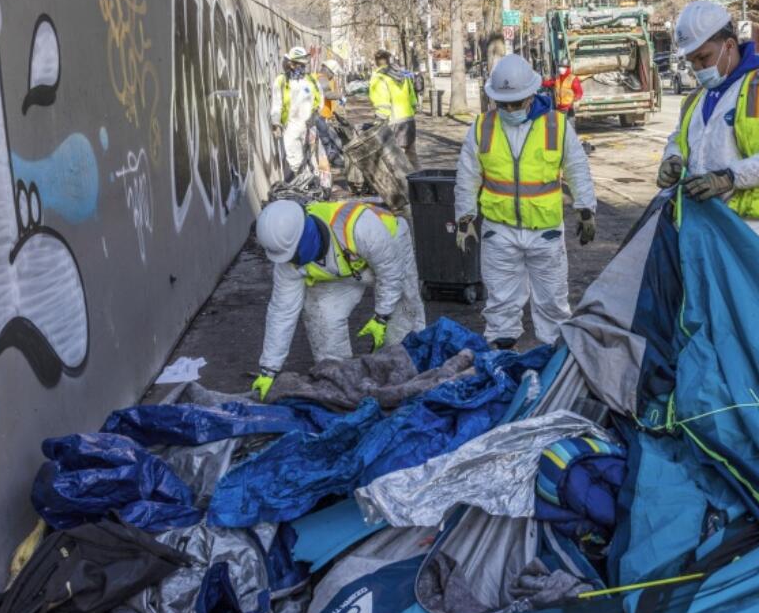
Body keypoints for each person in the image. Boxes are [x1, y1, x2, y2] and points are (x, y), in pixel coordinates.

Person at [454, 54, 597, 349]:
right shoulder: (483, 127)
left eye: (515, 103)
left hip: (544, 232)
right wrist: (464, 219)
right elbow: (467, 175)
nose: (509, 109)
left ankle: (552, 366)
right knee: (500, 306)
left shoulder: (556, 126)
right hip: (499, 231)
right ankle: (503, 361)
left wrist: (585, 208)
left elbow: (577, 167)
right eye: (502, 104)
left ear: (531, 95)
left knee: (553, 306)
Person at [656, 0, 759, 261]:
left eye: (704, 58)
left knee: (752, 303)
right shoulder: (697, 99)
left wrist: (728, 178)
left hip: (757, 229)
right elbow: (680, 138)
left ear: (729, 45)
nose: (699, 68)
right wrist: (672, 158)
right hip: (706, 226)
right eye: (693, 62)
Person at [250, 199, 426, 398]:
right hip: (343, 269)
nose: (290, 261)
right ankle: (340, 380)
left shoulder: (360, 226)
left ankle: (408, 373)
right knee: (321, 313)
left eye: (292, 254)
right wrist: (269, 368)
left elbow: (391, 272)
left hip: (390, 248)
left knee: (404, 316)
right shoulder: (288, 260)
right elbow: (282, 311)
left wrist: (381, 316)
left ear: (306, 236)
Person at [270, 46, 322, 176]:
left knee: (312, 159)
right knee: (295, 160)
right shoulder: (281, 81)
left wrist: (315, 114)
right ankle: (302, 184)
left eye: (304, 64)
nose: (302, 67)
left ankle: (315, 185)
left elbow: (319, 98)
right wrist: (276, 123)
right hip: (291, 126)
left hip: (310, 125)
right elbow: (277, 103)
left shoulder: (311, 80)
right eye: (299, 64)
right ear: (291, 64)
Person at [369, 50, 420, 169]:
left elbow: (383, 105)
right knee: (411, 154)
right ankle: (420, 183)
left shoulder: (379, 78)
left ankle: (403, 185)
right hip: (409, 121)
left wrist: (378, 123)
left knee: (395, 160)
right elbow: (413, 100)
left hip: (393, 123)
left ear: (376, 62)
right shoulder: (402, 76)